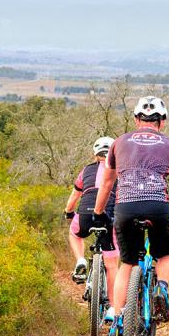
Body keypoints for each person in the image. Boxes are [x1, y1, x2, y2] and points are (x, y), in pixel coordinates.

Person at [92, 96, 169, 336]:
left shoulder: (118, 144)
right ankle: (162, 287)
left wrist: (99, 211)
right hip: (158, 207)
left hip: (125, 207)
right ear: (162, 122)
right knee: (166, 255)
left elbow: (106, 183)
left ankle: (119, 320)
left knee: (126, 264)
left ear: (136, 119)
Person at [64, 136, 121, 322]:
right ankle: (113, 307)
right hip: (108, 217)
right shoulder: (119, 171)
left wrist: (68, 212)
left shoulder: (86, 170)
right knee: (111, 265)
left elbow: (74, 196)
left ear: (95, 155)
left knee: (74, 233)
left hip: (85, 215)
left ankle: (80, 260)